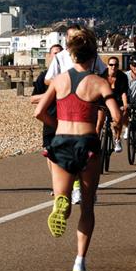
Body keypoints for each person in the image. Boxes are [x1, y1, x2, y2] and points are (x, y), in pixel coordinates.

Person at [34, 27, 120, 271]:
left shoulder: (59, 80)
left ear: (72, 56)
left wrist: (57, 127)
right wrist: (118, 125)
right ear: (93, 56)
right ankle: (79, 264)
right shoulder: (99, 82)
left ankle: (60, 204)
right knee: (88, 205)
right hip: (87, 143)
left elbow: (39, 112)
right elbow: (115, 114)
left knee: (64, 197)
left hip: (61, 142)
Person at [44, 25, 107, 204]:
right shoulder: (61, 58)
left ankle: (64, 194)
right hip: (68, 102)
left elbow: (38, 111)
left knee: (63, 148)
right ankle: (72, 192)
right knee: (87, 207)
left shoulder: (92, 59)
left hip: (77, 103)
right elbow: (48, 79)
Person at [31, 44, 65, 158]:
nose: (58, 55)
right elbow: (33, 99)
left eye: (60, 53)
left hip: (66, 120)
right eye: (55, 53)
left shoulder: (68, 75)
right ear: (50, 56)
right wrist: (49, 95)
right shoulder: (44, 76)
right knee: (50, 155)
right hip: (50, 119)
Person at [101, 56, 129, 153]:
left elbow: (123, 93)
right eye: (111, 64)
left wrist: (125, 105)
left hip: (117, 101)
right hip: (103, 101)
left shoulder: (122, 76)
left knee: (118, 119)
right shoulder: (102, 76)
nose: (113, 67)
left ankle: (117, 139)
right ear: (107, 65)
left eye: (116, 65)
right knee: (99, 121)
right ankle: (95, 143)